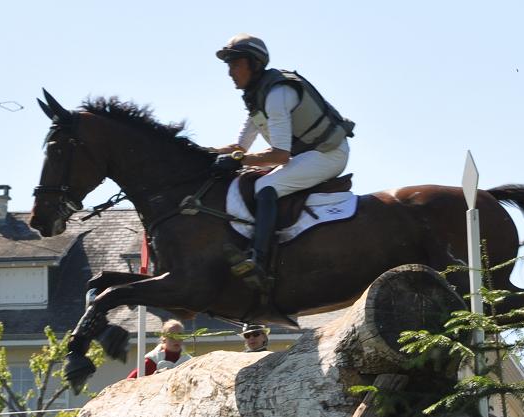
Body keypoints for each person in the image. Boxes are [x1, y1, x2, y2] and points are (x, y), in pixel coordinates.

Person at [211, 33, 355, 281]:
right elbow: (239, 146)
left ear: (253, 64)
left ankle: (259, 258)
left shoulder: (277, 95)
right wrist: (200, 152)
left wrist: (238, 160)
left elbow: (280, 156)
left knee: (265, 185)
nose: (230, 72)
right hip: (309, 154)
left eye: (235, 64)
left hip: (328, 154)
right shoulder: (259, 95)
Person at [127, 319, 192, 378]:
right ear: (164, 338)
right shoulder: (152, 361)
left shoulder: (190, 362)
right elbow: (128, 383)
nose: (176, 339)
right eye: (171, 335)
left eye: (179, 335)